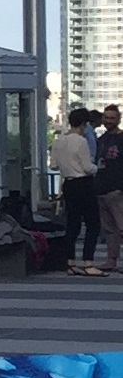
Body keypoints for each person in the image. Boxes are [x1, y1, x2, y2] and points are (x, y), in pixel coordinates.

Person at [54, 106, 100, 273]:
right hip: (84, 184)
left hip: (68, 184)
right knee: (93, 223)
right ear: (83, 123)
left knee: (72, 223)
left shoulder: (59, 141)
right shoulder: (81, 141)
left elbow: (53, 165)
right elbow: (88, 167)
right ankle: (88, 262)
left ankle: (70, 262)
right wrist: (99, 168)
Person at [95, 105, 123, 274]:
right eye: (106, 117)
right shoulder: (102, 139)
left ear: (118, 119)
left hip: (117, 189)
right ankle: (111, 260)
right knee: (109, 229)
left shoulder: (121, 139)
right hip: (102, 188)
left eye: (112, 118)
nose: (108, 121)